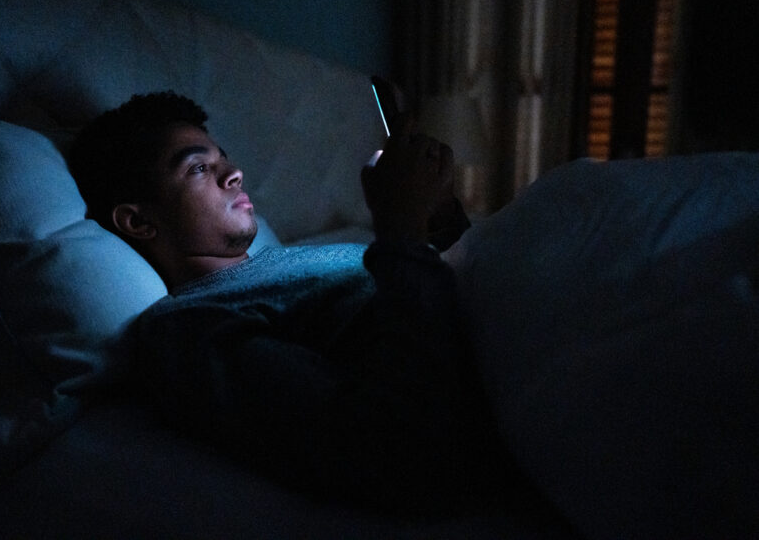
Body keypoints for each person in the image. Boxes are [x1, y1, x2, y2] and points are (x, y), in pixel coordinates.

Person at [68, 91, 529, 518]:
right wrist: (400, 227)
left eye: (223, 159)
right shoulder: (188, 328)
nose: (234, 173)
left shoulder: (283, 264)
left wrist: (439, 213)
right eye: (197, 169)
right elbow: (396, 451)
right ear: (137, 220)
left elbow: (443, 288)